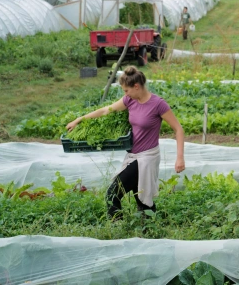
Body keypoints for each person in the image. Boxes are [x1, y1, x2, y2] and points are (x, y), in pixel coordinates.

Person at [66, 66, 185, 218]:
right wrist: (78, 120)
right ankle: (148, 229)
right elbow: (105, 110)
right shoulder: (130, 100)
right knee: (140, 198)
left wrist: (180, 157)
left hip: (147, 157)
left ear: (136, 86)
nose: (125, 94)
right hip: (132, 156)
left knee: (112, 194)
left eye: (126, 90)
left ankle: (118, 227)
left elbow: (178, 129)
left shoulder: (158, 104)